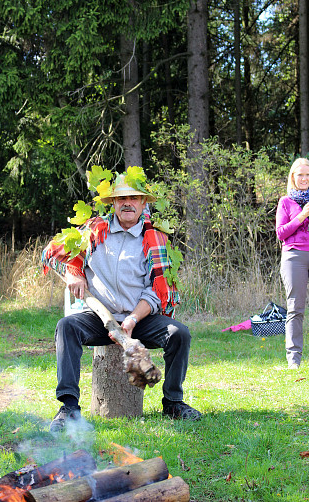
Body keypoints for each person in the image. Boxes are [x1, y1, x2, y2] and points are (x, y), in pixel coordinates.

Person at [43, 174, 202, 431]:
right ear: (113, 203)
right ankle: (69, 407)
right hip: (98, 318)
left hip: (139, 319)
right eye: (121, 199)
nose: (127, 203)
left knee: (178, 333)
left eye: (134, 198)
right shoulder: (94, 231)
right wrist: (74, 274)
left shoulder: (156, 241)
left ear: (142, 203)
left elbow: (156, 292)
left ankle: (173, 402)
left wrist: (132, 320)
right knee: (66, 326)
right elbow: (54, 253)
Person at [276, 158, 309, 369]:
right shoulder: (285, 201)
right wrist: (302, 216)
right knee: (295, 308)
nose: (304, 179)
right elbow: (281, 233)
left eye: (307, 175)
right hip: (294, 256)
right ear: (293, 177)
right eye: (300, 175)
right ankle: (294, 359)